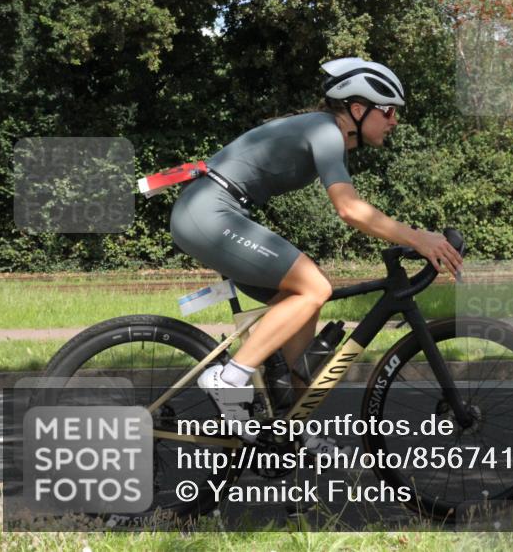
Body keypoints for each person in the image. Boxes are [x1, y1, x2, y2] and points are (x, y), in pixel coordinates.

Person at [169, 57, 463, 421]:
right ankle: (229, 378)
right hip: (206, 213)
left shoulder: (325, 132)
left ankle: (289, 428)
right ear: (358, 109)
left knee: (304, 300)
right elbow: (350, 209)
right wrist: (419, 238)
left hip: (211, 213)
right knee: (314, 287)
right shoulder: (326, 131)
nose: (394, 121)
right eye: (387, 111)